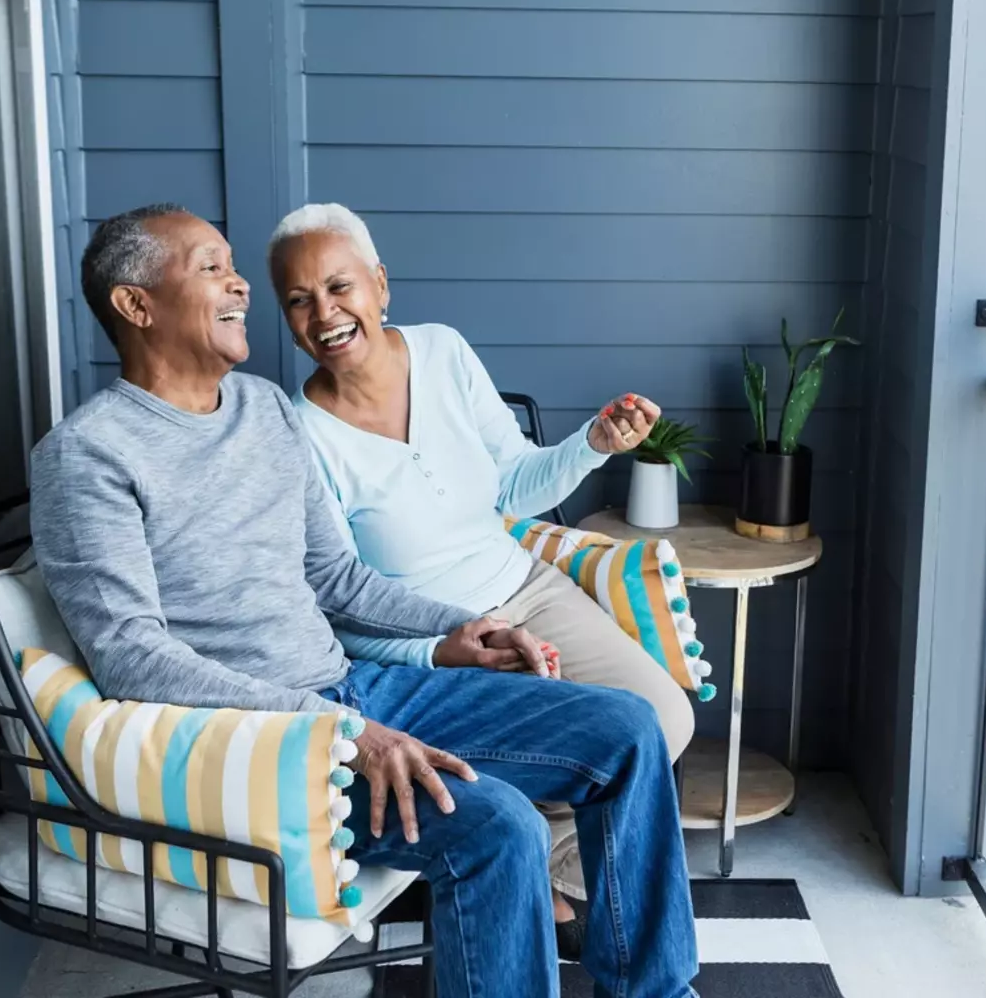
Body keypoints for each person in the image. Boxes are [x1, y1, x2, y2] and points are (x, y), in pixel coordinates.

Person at [29, 203, 699, 998]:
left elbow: (336, 580)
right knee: (500, 826)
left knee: (625, 726)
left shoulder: (264, 411)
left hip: (354, 695)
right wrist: (342, 732)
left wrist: (462, 626)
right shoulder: (87, 456)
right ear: (136, 305)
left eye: (234, 265)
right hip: (263, 748)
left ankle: (654, 990)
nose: (241, 283)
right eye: (210, 267)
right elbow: (131, 658)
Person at [264, 202, 697, 928]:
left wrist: (592, 442)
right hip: (431, 651)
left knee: (666, 720)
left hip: (524, 585)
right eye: (299, 301)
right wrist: (444, 645)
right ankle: (535, 872)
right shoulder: (298, 432)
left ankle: (544, 858)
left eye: (341, 287)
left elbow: (514, 486)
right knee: (586, 748)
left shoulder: (442, 351)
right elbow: (335, 602)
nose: (325, 314)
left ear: (380, 283)